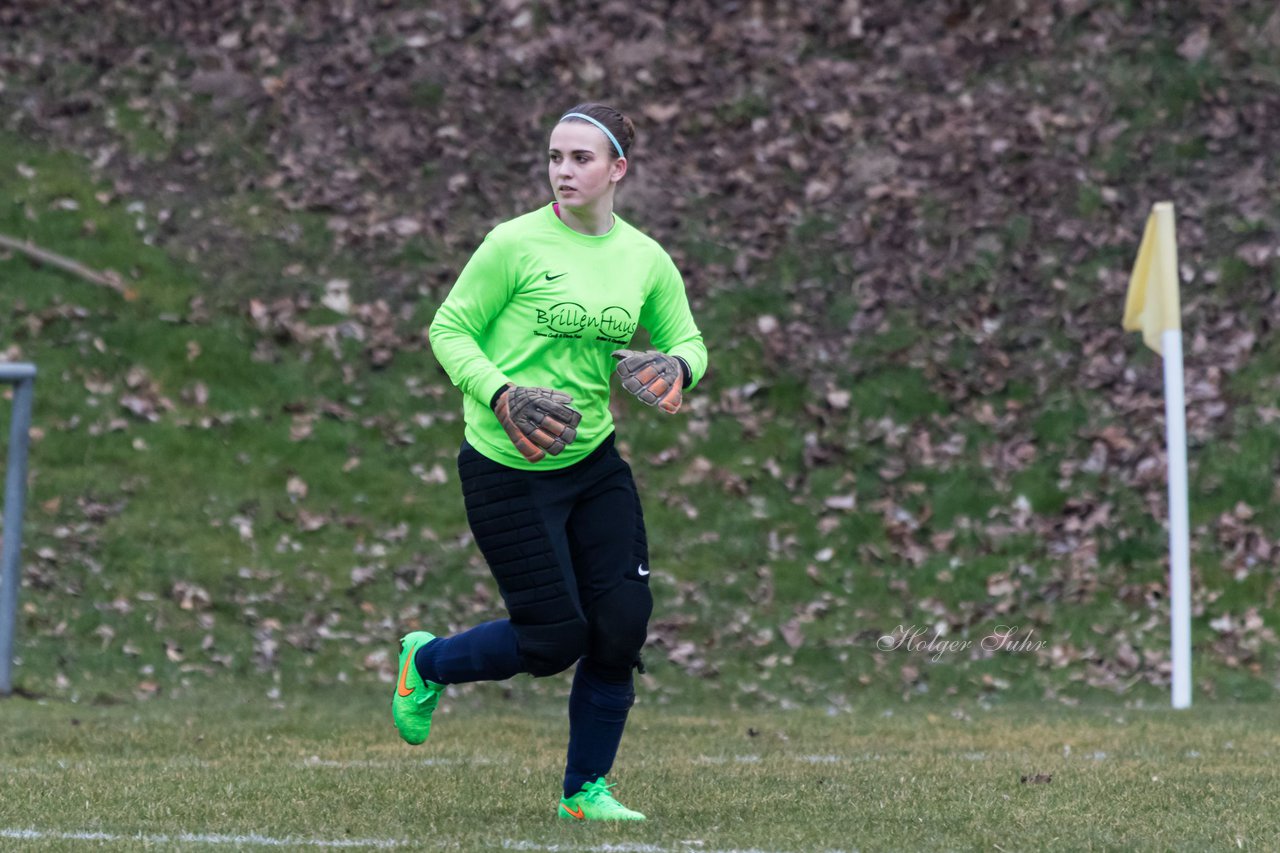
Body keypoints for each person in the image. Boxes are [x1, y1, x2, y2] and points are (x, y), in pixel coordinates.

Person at [394, 102, 708, 822]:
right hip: (505, 466)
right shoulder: (513, 244)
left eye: (581, 159)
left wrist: (677, 369)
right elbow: (450, 327)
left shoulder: (643, 258)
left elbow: (689, 339)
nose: (563, 171)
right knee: (552, 638)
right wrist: (500, 393)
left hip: (592, 464)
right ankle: (426, 661)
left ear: (617, 169)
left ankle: (584, 792)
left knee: (622, 624)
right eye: (555, 158)